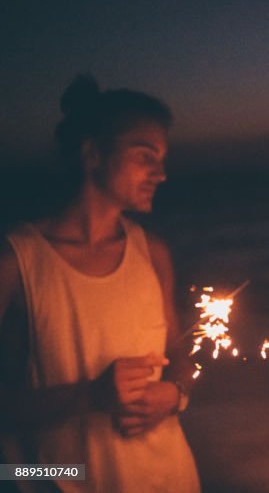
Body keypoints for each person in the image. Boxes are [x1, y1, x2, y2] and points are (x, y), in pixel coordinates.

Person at [0, 75, 200, 492]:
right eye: (146, 156)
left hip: (171, 478)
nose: (161, 174)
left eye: (163, 158)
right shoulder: (18, 263)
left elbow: (179, 355)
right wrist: (90, 397)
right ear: (92, 154)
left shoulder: (153, 253)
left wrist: (176, 395)